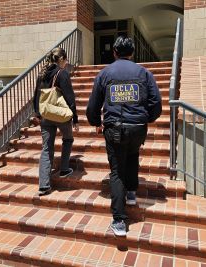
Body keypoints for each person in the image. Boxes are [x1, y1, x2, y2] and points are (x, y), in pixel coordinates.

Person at [86, 36, 162, 236]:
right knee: (133, 156)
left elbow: (93, 105)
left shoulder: (105, 73)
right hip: (137, 127)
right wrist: (147, 119)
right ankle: (130, 193)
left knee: (117, 170)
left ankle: (119, 220)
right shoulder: (144, 73)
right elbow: (156, 103)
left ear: (115, 52)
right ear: (132, 53)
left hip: (115, 129)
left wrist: (95, 122)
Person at [33, 47, 79, 196]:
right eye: (65, 60)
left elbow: (36, 97)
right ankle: (64, 169)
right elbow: (70, 97)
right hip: (60, 115)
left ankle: (44, 185)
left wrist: (38, 114)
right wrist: (75, 119)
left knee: (46, 148)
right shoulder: (62, 73)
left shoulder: (42, 74)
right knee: (68, 139)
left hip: (46, 115)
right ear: (61, 59)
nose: (66, 63)